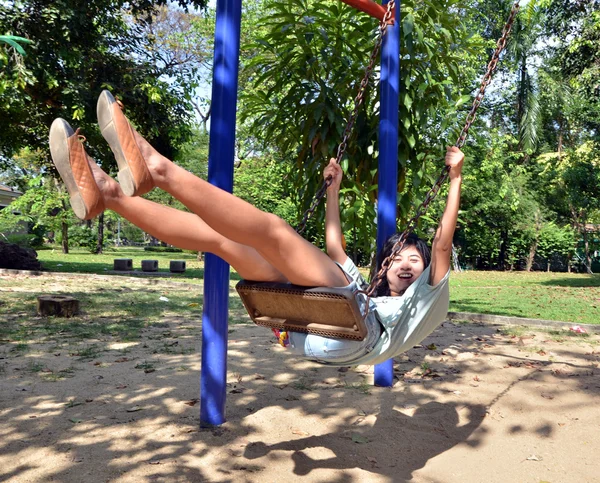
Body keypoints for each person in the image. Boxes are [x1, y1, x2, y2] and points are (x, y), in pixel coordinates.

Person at [49, 90, 464, 367]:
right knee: (222, 241)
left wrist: (456, 178)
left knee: (276, 232)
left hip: (360, 335)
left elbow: (442, 243)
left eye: (415, 259)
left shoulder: (426, 296)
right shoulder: (361, 284)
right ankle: (108, 195)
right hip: (312, 330)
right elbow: (334, 245)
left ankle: (156, 167)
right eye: (399, 258)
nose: (407, 264)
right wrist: (332, 190)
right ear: (384, 266)